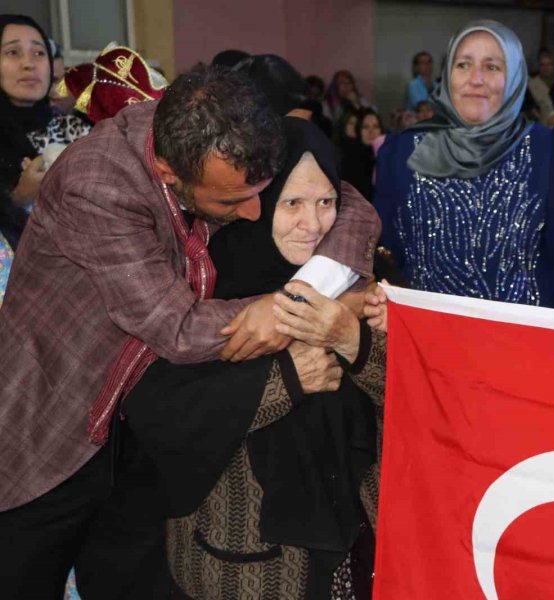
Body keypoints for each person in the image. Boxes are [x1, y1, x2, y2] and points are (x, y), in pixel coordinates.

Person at [0, 64, 379, 599]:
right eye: (230, 202)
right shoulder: (98, 184)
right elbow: (176, 326)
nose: (254, 212)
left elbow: (352, 204)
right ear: (167, 171)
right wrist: (294, 312)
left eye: (263, 193)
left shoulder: (232, 129)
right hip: (56, 427)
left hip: (142, 435)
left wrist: (311, 291)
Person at [126, 117, 383, 599]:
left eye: (326, 202)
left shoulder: (356, 282)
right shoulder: (195, 284)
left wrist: (354, 340)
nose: (313, 224)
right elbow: (156, 412)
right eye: (292, 203)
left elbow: (413, 395)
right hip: (240, 560)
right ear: (256, 200)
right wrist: (286, 377)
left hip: (354, 543)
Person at [374, 20, 554, 310]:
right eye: (463, 65)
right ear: (447, 74)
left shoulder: (544, 148)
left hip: (522, 334)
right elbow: (382, 254)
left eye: (492, 67)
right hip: (424, 332)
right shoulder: (402, 151)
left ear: (514, 78)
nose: (476, 79)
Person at [0, 15, 91, 245]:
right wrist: (20, 198)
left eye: (39, 53)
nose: (29, 63)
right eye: (13, 52)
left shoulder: (78, 132)